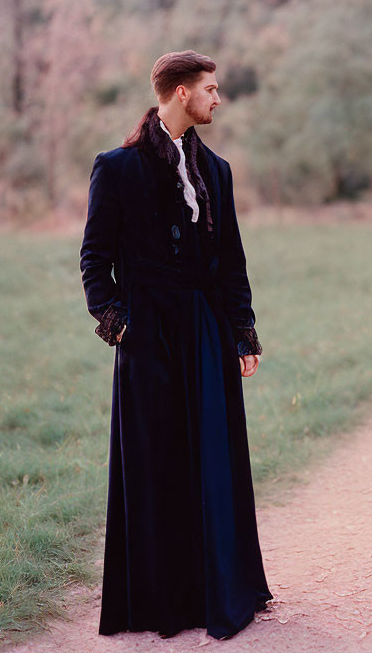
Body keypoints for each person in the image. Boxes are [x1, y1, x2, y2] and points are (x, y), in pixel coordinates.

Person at [80, 50, 271, 639]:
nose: (218, 98)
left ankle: (216, 590)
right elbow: (94, 259)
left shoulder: (217, 170)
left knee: (210, 461)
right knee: (157, 462)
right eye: (210, 89)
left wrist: (242, 331)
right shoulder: (116, 168)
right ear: (181, 92)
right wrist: (119, 323)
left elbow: (231, 261)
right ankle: (162, 602)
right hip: (148, 338)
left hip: (206, 331)